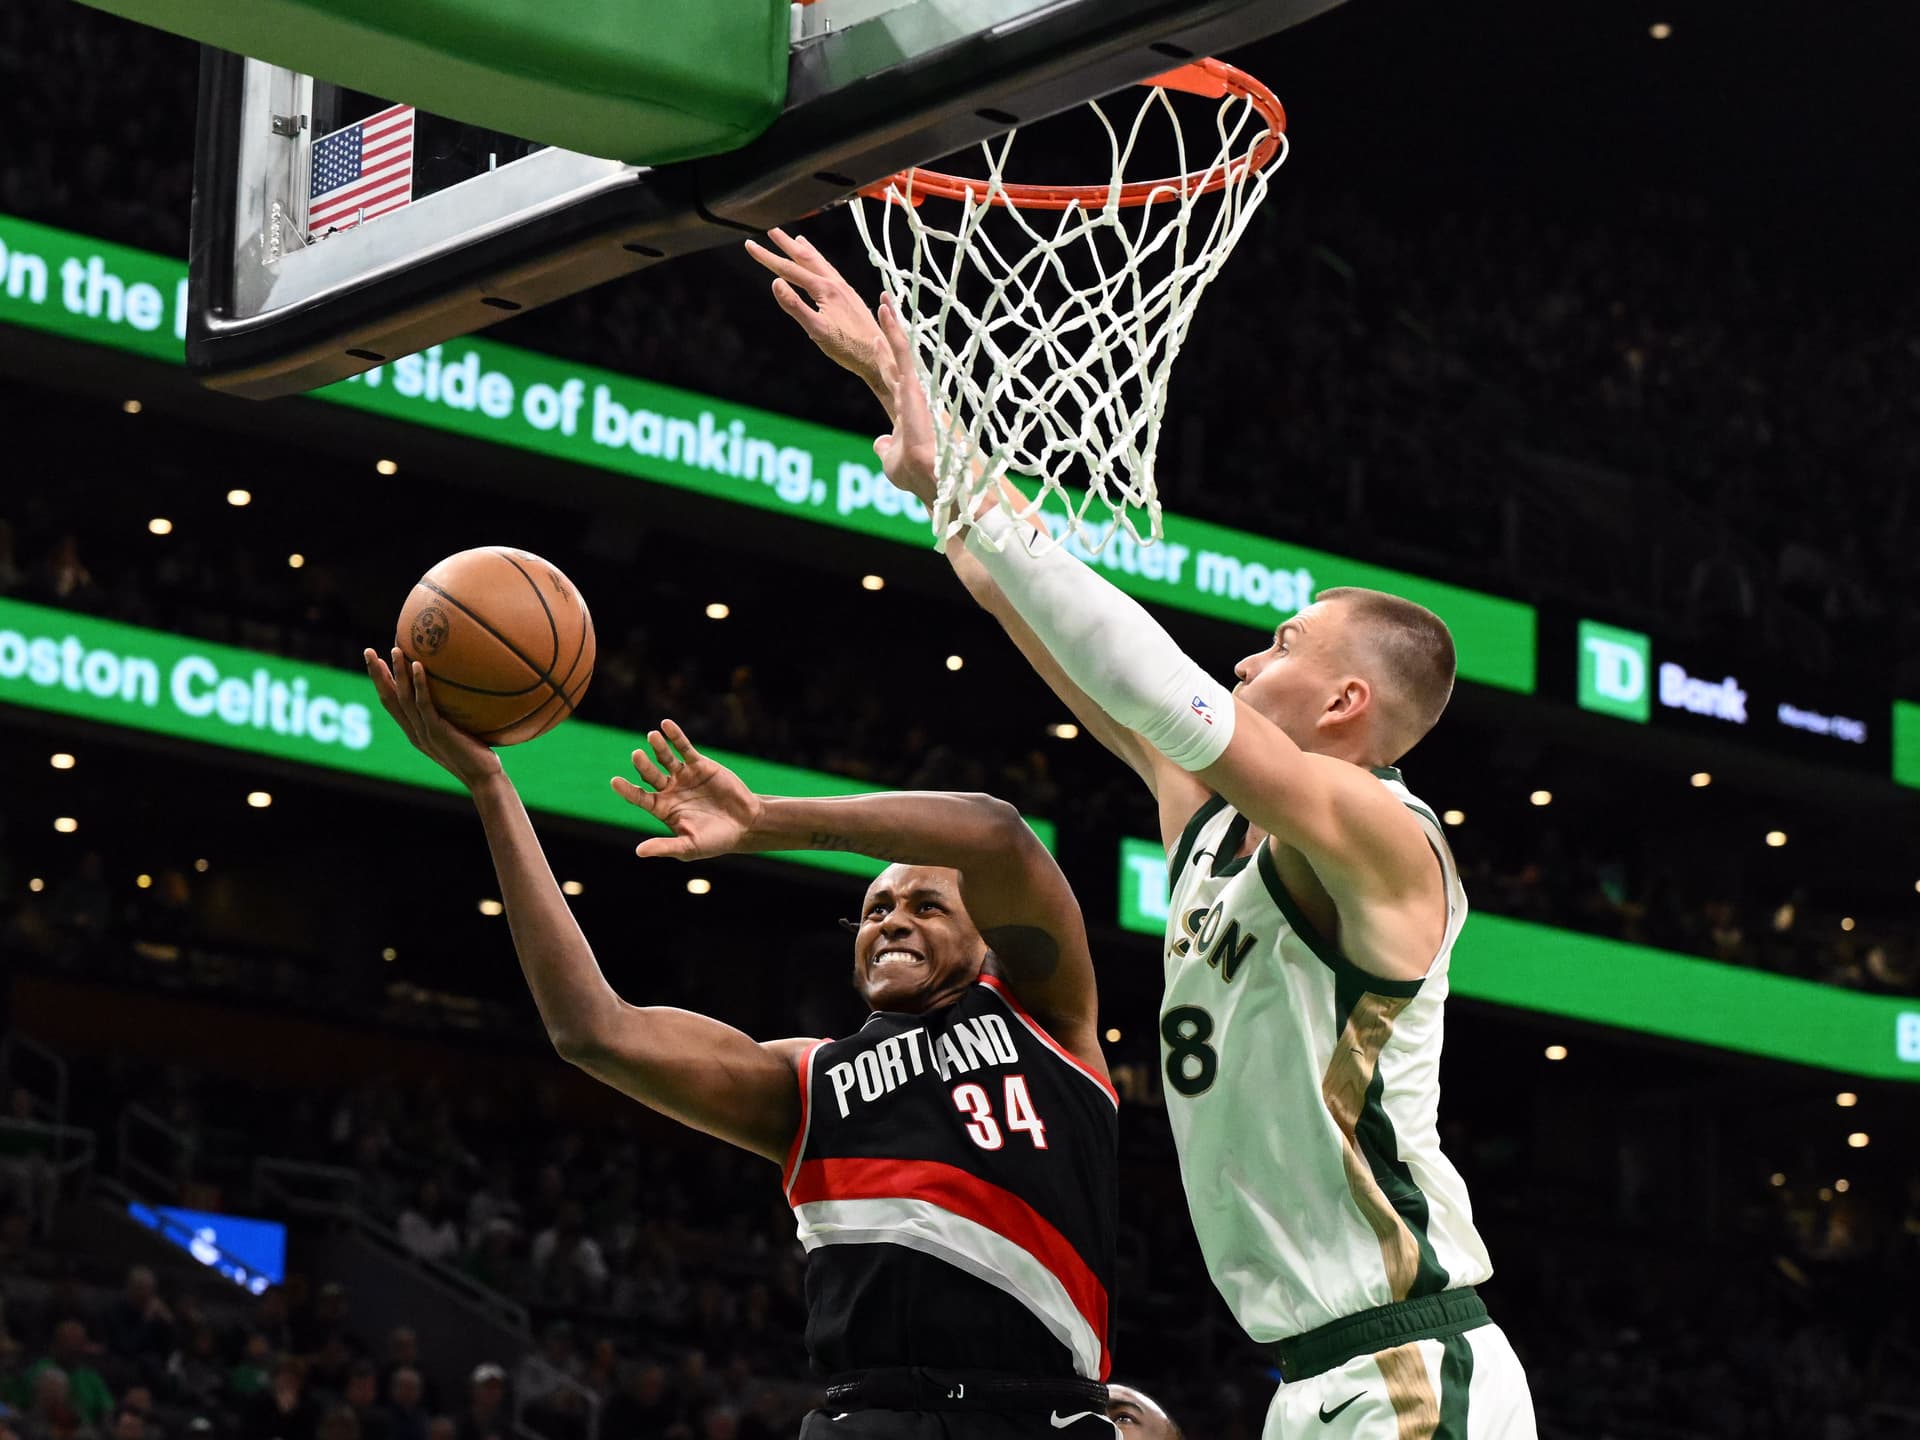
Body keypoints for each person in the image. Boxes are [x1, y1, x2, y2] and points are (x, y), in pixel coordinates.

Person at [752, 231, 1537, 1439]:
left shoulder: (1387, 838)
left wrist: (957, 465)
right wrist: (912, 421)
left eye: (1280, 644)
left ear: (1346, 707)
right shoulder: (1217, 830)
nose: (1245, 656)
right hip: (1310, 1375)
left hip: (1413, 1366)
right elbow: (1049, 621)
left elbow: (1153, 675)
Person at [363, 652, 1119, 1437]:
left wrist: (764, 821)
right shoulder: (809, 1079)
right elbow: (593, 1030)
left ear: (988, 936)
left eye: (927, 905)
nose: (891, 920)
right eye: (875, 909)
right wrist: (493, 790)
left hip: (1036, 1417)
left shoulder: (1043, 1016)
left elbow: (998, 833)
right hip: (862, 1418)